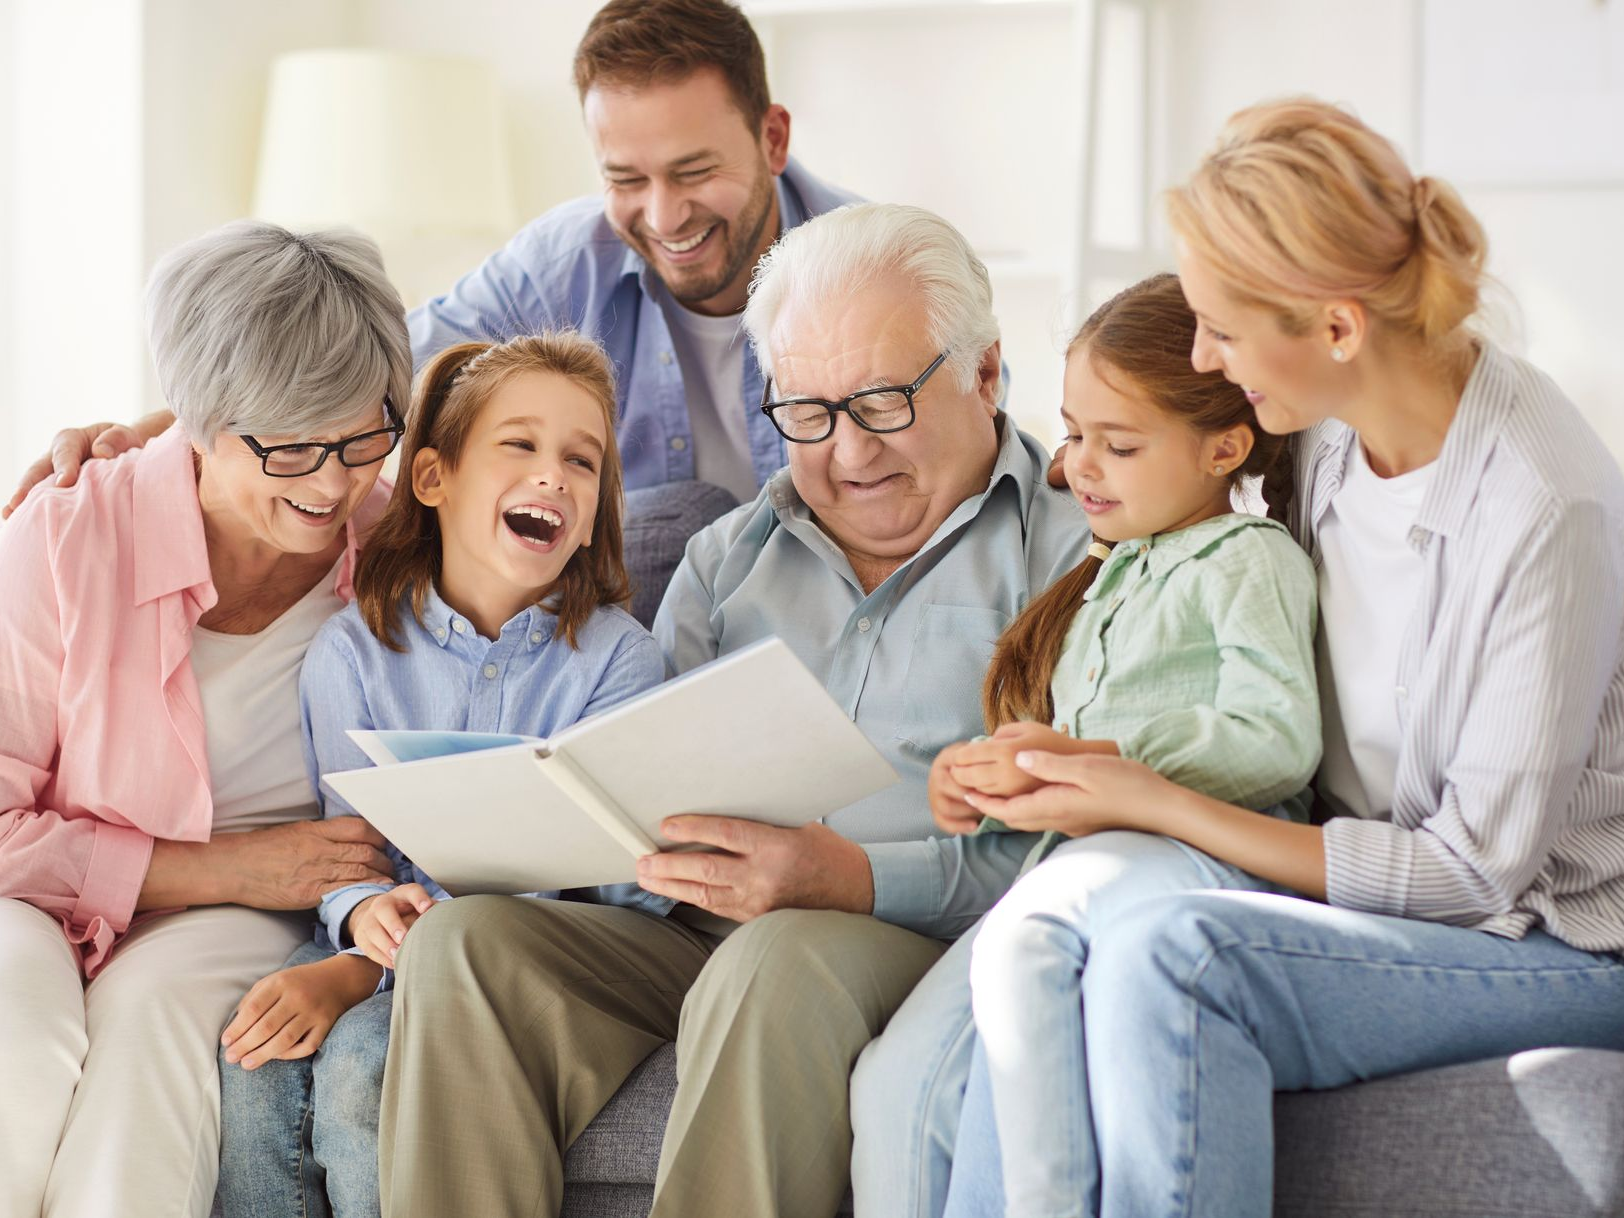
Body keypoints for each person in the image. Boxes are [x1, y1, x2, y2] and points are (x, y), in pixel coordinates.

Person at [937, 98, 1624, 1217]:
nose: (1204, 357)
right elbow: (1161, 503)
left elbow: (1468, 875)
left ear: (1337, 327)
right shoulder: (1324, 440)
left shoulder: (1547, 507)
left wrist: (1154, 798)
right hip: (1368, 891)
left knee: (1179, 955)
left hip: (1553, 942)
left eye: (1219, 326)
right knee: (1057, 946)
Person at [374, 202, 1091, 1218]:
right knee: (467, 947)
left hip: (916, 936)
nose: (847, 454)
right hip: (702, 933)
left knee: (774, 957)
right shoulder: (728, 558)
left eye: (882, 402)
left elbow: (1084, 839)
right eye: (805, 413)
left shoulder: (1071, 554)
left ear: (982, 374)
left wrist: (848, 878)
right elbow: (649, 772)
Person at [5, 0, 861, 602]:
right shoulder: (567, 256)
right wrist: (149, 430)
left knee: (700, 524)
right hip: (618, 612)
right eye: (625, 178)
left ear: (772, 137)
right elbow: (370, 374)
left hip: (810, 602)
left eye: (695, 171)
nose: (664, 215)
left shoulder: (869, 271)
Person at [852, 271, 1320, 1218]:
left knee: (1024, 955)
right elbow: (1070, 761)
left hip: (1198, 856)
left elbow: (1277, 734)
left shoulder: (1248, 558)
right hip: (1076, 868)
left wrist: (1094, 756)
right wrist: (979, 785)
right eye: (1072, 434)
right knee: (894, 1084)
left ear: (1224, 446)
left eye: (1120, 444)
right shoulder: (1105, 577)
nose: (1077, 467)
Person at [0, 220, 413, 1217]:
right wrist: (215, 867)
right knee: (14, 1033)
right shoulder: (67, 534)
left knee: (153, 1021)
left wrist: (259, 885)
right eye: (291, 449)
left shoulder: (400, 547)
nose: (332, 483)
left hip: (269, 910)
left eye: (362, 439)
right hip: (44, 887)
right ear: (196, 421)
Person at [214, 332, 666, 1218]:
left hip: (525, 959)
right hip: (377, 937)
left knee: (362, 1062)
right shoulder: (352, 652)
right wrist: (360, 917)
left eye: (583, 460)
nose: (555, 477)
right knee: (257, 1069)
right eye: (521, 445)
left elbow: (588, 886)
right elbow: (352, 851)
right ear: (432, 479)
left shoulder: (620, 663)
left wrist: (355, 974)